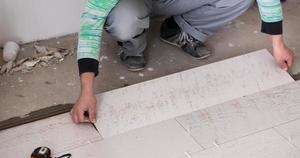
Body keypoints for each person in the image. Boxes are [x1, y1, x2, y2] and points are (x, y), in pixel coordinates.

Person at [70, 0, 294, 124]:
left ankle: (181, 30)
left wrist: (277, 43)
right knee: (124, 20)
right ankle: (132, 46)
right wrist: (86, 90)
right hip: (134, 3)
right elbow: (92, 21)